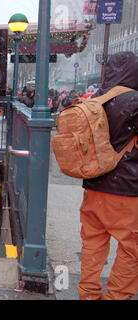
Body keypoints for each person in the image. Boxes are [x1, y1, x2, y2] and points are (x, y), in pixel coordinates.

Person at [78, 51, 138, 300]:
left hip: (94, 186)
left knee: (93, 243)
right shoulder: (135, 102)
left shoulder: (95, 100)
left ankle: (89, 294)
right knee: (131, 249)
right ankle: (117, 296)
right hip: (127, 189)